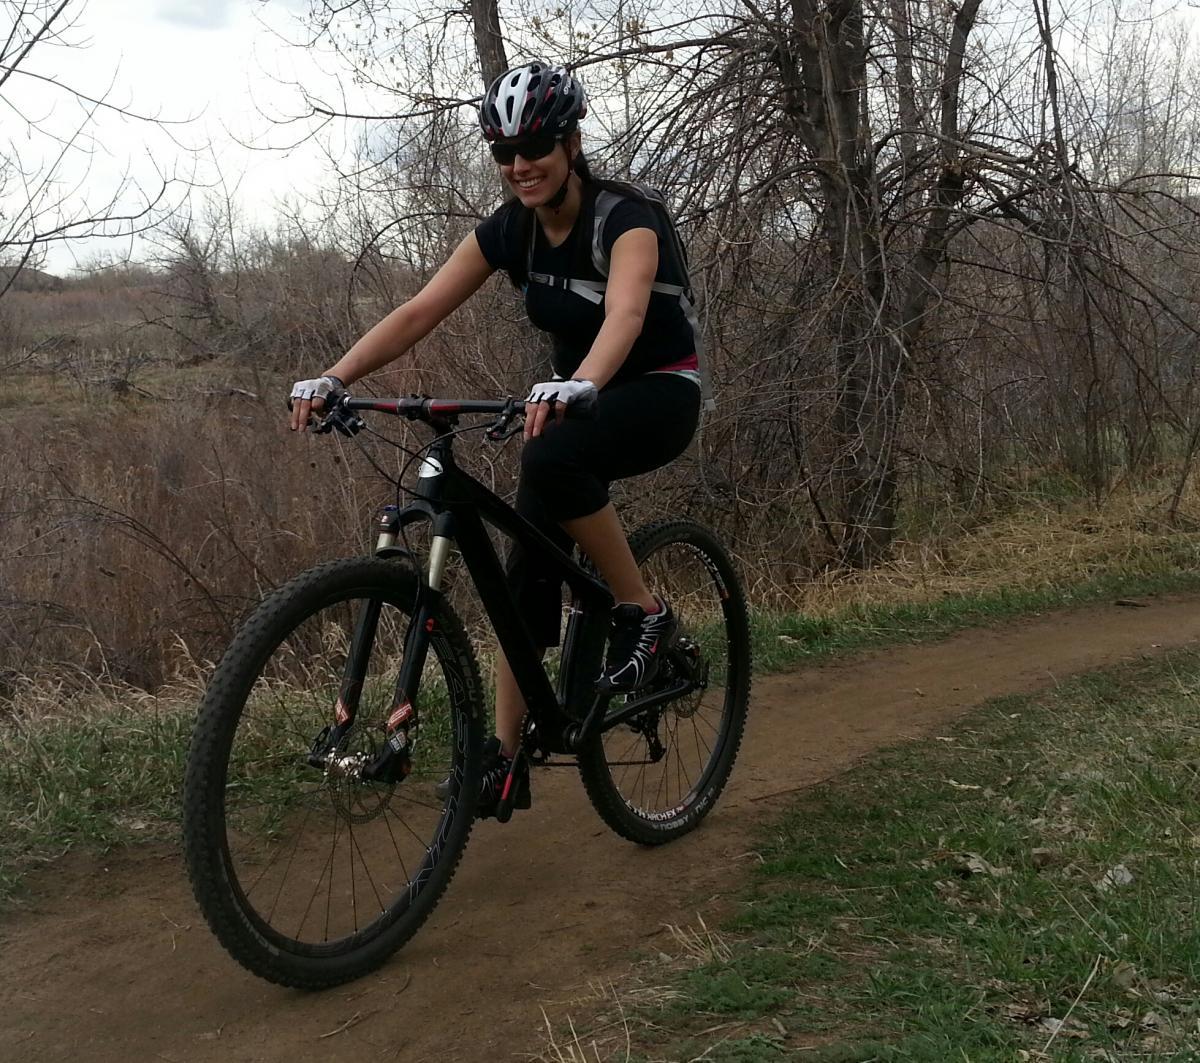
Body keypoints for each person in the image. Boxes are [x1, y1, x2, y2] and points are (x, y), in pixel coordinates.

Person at [289, 61, 702, 814]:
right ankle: (507, 757)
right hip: (571, 403)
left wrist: (586, 379)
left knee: (549, 454)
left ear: (572, 141)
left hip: (657, 394)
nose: (520, 166)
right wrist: (335, 375)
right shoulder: (511, 229)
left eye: (536, 146)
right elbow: (419, 311)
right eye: (504, 153)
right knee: (524, 578)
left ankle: (642, 611)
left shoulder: (626, 218)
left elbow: (627, 317)